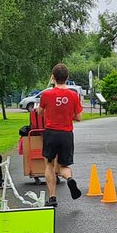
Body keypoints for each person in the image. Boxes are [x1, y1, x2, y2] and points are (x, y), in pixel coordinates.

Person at [38, 63, 84, 208]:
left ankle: (52, 197)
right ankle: (69, 178)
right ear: (67, 78)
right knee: (64, 165)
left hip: (51, 133)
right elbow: (79, 117)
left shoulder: (46, 94)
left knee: (49, 164)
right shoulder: (73, 95)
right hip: (66, 134)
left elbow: (40, 112)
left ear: (53, 77)